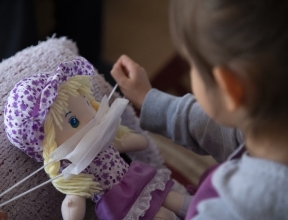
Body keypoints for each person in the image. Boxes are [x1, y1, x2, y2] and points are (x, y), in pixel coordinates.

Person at [110, 0, 288, 219]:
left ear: (230, 87)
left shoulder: (225, 211)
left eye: (191, 65)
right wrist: (151, 101)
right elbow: (228, 135)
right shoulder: (272, 130)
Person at [4, 57, 191, 220]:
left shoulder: (102, 140)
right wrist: (71, 206)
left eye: (86, 103)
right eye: (74, 120)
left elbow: (126, 143)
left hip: (136, 177)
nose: (90, 116)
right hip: (119, 202)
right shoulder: (72, 168)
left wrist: (134, 140)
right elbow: (73, 200)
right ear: (48, 143)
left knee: (175, 199)